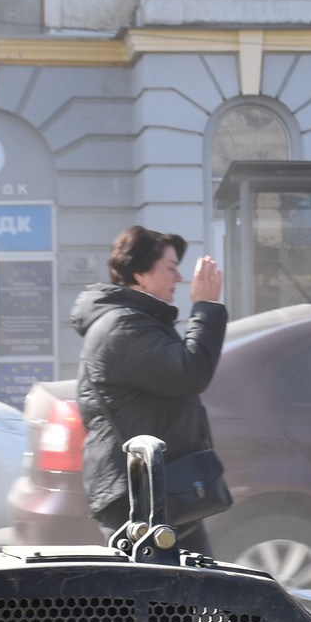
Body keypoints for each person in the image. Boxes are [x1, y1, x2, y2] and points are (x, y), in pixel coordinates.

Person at [72, 226, 226, 553]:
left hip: (157, 488)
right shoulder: (124, 327)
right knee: (159, 598)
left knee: (195, 593)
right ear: (140, 274)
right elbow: (189, 372)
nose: (179, 277)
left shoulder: (136, 321)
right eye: (170, 268)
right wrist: (206, 307)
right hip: (137, 500)